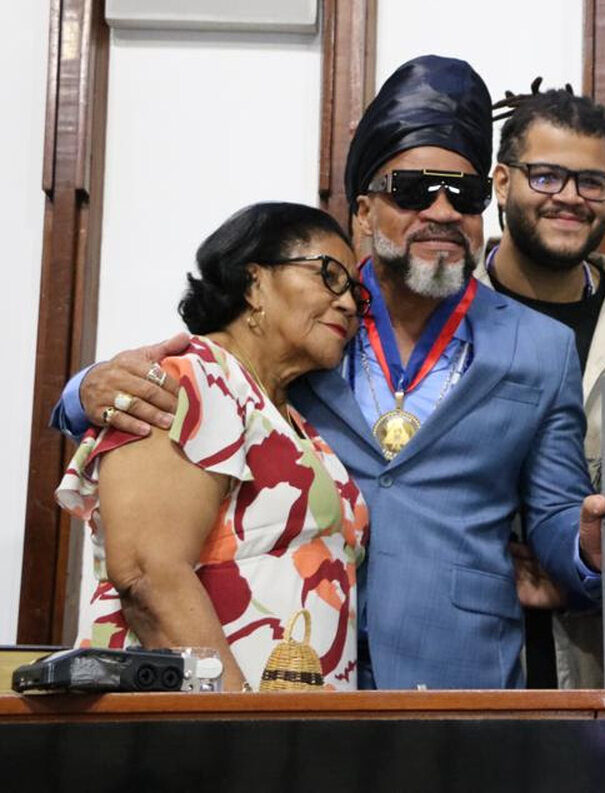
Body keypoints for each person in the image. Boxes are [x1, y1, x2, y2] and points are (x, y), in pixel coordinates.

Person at [54, 55, 605, 690]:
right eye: (412, 190)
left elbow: (555, 509)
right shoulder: (307, 315)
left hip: (457, 666)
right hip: (278, 663)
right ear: (365, 213)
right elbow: (202, 374)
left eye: (466, 194)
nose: (444, 210)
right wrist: (84, 389)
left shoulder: (540, 347)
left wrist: (585, 551)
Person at [55, 202, 370, 691]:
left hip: (292, 741)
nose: (348, 303)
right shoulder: (188, 379)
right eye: (330, 276)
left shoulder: (287, 415)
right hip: (202, 740)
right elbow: (147, 577)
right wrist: (240, 731)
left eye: (355, 292)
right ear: (254, 281)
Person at [481, 82, 605, 688]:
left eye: (590, 182)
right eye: (545, 177)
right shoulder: (441, 318)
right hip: (472, 652)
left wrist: (583, 571)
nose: (569, 198)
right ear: (502, 183)